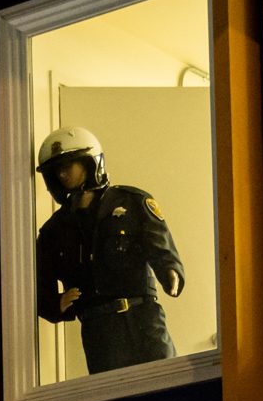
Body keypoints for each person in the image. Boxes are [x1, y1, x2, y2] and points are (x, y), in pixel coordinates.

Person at [34, 126, 185, 373]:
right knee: (115, 397)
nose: (62, 174)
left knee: (166, 382)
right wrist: (56, 304)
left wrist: (171, 272)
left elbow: (161, 246)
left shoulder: (131, 202)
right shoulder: (53, 231)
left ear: (89, 162)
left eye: (69, 165)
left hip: (143, 317)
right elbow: (41, 286)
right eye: (57, 170)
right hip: (98, 329)